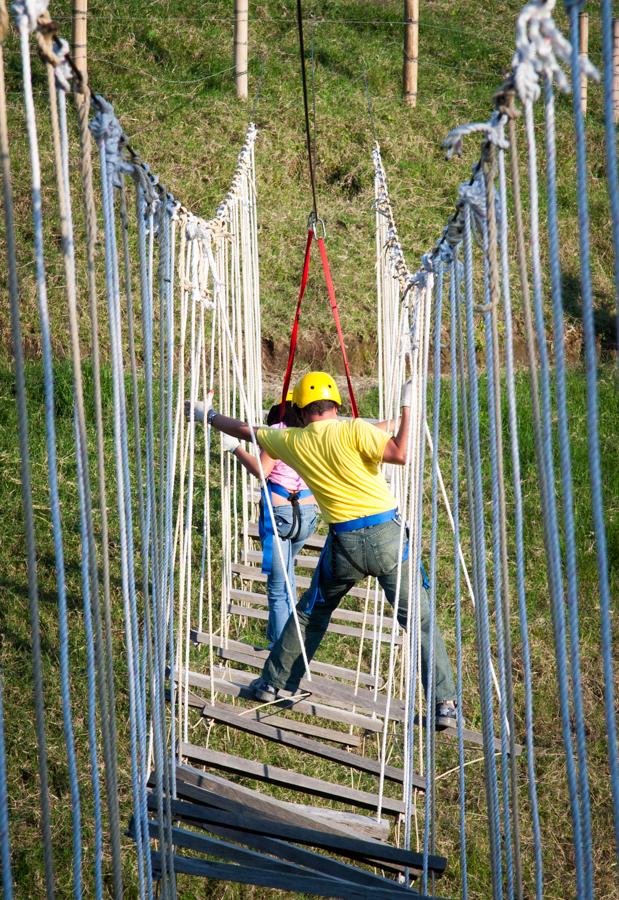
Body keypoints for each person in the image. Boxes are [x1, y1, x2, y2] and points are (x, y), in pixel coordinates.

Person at [202, 371, 459, 727]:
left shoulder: (295, 440)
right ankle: (443, 702)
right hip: (388, 537)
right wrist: (407, 407)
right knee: (419, 621)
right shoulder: (356, 429)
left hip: (345, 545)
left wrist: (210, 417)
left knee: (311, 612)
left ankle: (273, 682)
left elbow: (246, 430)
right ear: (336, 404)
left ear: (302, 411)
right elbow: (400, 454)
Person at [221, 397, 318, 647]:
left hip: (281, 516)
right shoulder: (311, 433)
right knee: (287, 575)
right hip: (307, 515)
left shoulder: (278, 433)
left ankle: (280, 649)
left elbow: (262, 470)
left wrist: (236, 449)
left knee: (277, 588)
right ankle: (291, 635)